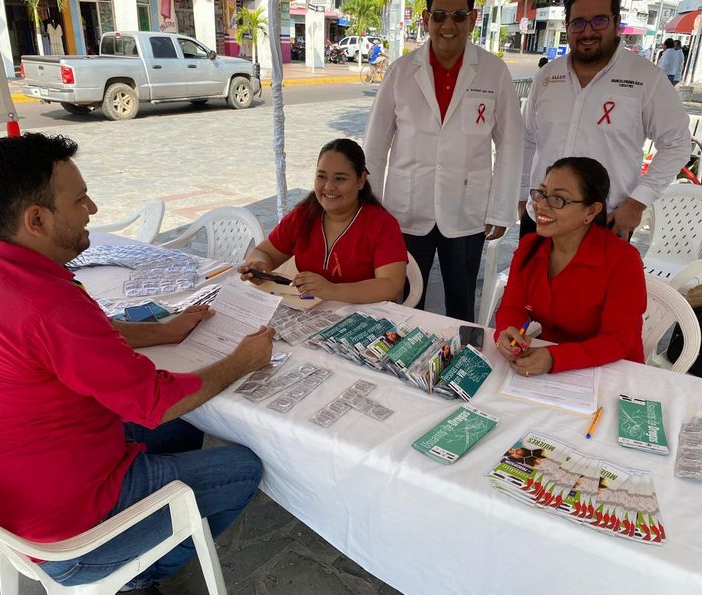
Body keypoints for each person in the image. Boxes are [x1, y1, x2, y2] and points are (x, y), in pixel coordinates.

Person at [0, 133, 274, 595]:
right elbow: (152, 401)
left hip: (10, 493)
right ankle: (136, 573)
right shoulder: (48, 305)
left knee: (186, 428)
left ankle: (149, 528)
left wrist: (161, 331)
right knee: (243, 466)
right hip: (69, 533)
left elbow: (70, 344)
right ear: (36, 220)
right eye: (79, 199)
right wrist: (241, 361)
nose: (92, 209)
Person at [363, 0, 523, 322]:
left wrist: (501, 208)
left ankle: (459, 362)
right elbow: (375, 144)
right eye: (439, 16)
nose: (448, 25)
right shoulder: (401, 71)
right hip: (406, 209)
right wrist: (371, 207)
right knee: (405, 301)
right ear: (425, 19)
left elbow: (510, 143)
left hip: (467, 209)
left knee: (461, 303)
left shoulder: (493, 71)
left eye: (458, 16)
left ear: (473, 19)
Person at [519, 0, 691, 241]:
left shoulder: (645, 78)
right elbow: (526, 139)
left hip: (606, 222)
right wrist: (521, 196)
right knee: (531, 280)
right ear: (567, 26)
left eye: (599, 20)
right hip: (541, 217)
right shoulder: (548, 77)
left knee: (593, 282)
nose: (588, 31)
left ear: (616, 22)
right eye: (578, 23)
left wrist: (637, 202)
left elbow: (677, 144)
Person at [495, 157, 646, 376]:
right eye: (541, 193)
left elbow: (617, 341)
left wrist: (554, 358)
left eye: (559, 199)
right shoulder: (530, 248)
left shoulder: (623, 260)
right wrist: (507, 334)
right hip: (551, 367)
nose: (542, 205)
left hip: (614, 373)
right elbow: (512, 307)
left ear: (591, 211)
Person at [238, 138, 408, 303]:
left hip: (366, 317)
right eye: (321, 176)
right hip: (310, 312)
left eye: (340, 178)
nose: (328, 187)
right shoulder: (303, 216)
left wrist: (332, 291)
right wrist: (260, 265)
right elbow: (264, 252)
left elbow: (391, 285)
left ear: (361, 180)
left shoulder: (382, 224)